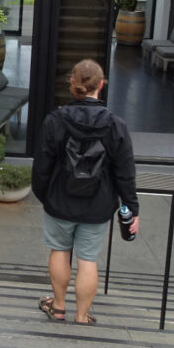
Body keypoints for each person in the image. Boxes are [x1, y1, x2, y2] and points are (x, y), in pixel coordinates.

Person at [31, 59, 139, 325]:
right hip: (98, 204)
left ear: (72, 84)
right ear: (101, 85)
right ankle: (81, 316)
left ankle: (57, 307)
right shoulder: (116, 125)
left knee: (59, 250)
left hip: (60, 200)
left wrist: (47, 196)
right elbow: (125, 172)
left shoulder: (54, 120)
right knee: (88, 259)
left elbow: (41, 168)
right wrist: (131, 208)